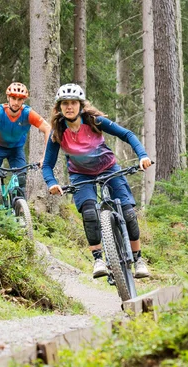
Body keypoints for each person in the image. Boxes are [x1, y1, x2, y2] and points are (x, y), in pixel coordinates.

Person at [42, 83, 153, 279]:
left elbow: (127, 134)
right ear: (59, 107)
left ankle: (138, 260)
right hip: (81, 175)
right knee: (90, 212)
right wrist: (52, 183)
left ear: (81, 105)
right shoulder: (57, 132)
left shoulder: (95, 121)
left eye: (73, 103)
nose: (69, 107)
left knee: (128, 213)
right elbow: (47, 165)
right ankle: (98, 259)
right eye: (65, 103)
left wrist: (142, 155)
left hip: (108, 168)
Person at [0, 82, 52, 208]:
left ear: (23, 101)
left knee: (21, 179)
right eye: (13, 98)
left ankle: (21, 213)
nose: (16, 102)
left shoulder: (27, 113)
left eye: (20, 99)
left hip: (16, 149)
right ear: (8, 98)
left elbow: (48, 128)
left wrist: (45, 157)